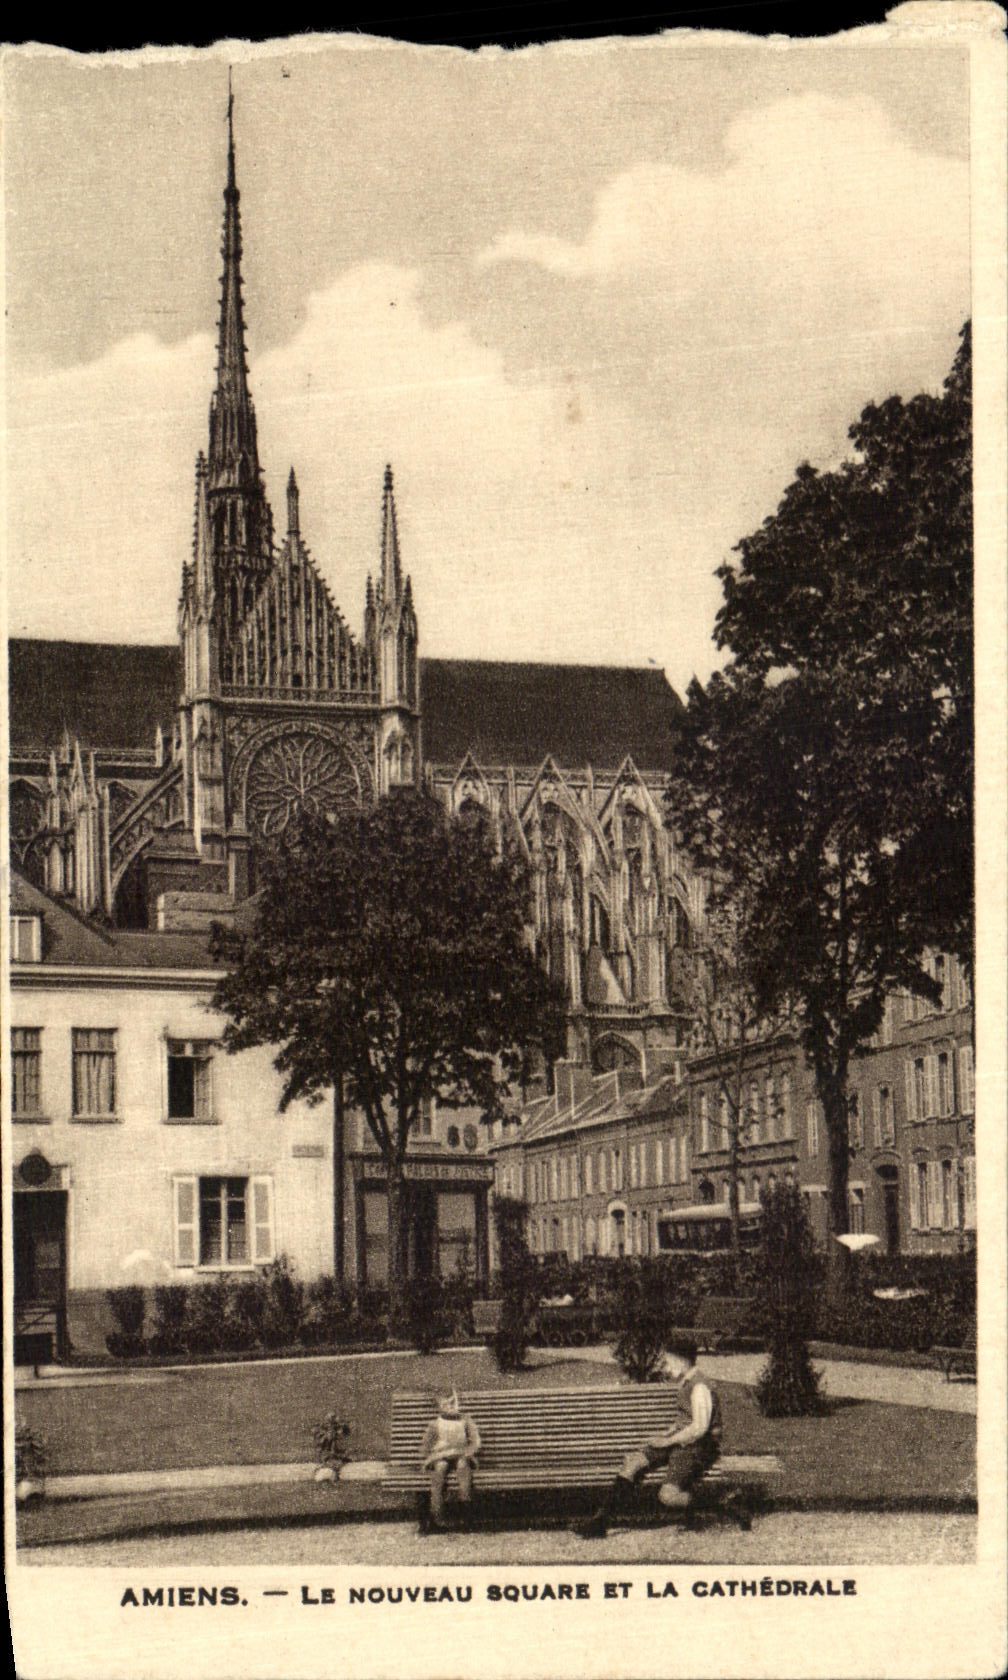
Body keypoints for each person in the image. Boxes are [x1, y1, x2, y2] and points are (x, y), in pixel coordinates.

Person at [573, 1337, 722, 1539]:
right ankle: (600, 1521)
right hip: (679, 1440)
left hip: (697, 1447)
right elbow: (684, 1420)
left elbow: (699, 1428)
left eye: (667, 1363)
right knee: (633, 1462)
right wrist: (665, 1435)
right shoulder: (687, 1382)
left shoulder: (700, 1386)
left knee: (668, 1496)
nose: (666, 1369)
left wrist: (667, 1441)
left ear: (681, 1361)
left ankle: (723, 1503)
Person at [419, 1388, 481, 1533]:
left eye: (453, 1403)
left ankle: (465, 1512)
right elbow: (426, 1445)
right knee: (440, 1468)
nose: (451, 1407)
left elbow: (475, 1441)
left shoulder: (465, 1421)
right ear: (439, 1408)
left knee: (462, 1467)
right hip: (441, 1456)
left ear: (458, 1403)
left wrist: (468, 1452)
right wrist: (434, 1455)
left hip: (461, 1454)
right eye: (445, 1405)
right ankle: (437, 1515)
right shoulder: (435, 1424)